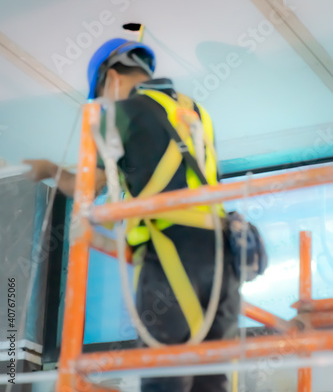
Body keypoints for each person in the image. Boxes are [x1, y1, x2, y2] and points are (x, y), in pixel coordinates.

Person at [25, 38, 266, 392]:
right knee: (211, 381)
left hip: (172, 254)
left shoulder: (120, 114)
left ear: (112, 80)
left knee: (163, 378)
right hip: (222, 257)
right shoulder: (197, 113)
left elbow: (86, 188)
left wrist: (48, 168)